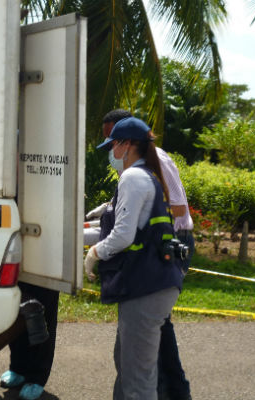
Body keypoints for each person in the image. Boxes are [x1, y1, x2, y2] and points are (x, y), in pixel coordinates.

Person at [84, 116, 186, 400]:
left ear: (127, 145)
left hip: (145, 288)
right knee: (131, 365)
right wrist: (72, 236)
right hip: (154, 284)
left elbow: (122, 237)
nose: (111, 153)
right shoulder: (146, 176)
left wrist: (94, 254)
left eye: (113, 145)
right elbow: (120, 230)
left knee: (138, 381)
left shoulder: (133, 177)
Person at [0, 282, 59, 400]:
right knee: (17, 312)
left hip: (48, 272)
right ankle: (18, 369)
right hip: (21, 268)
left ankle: (37, 378)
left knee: (41, 319)